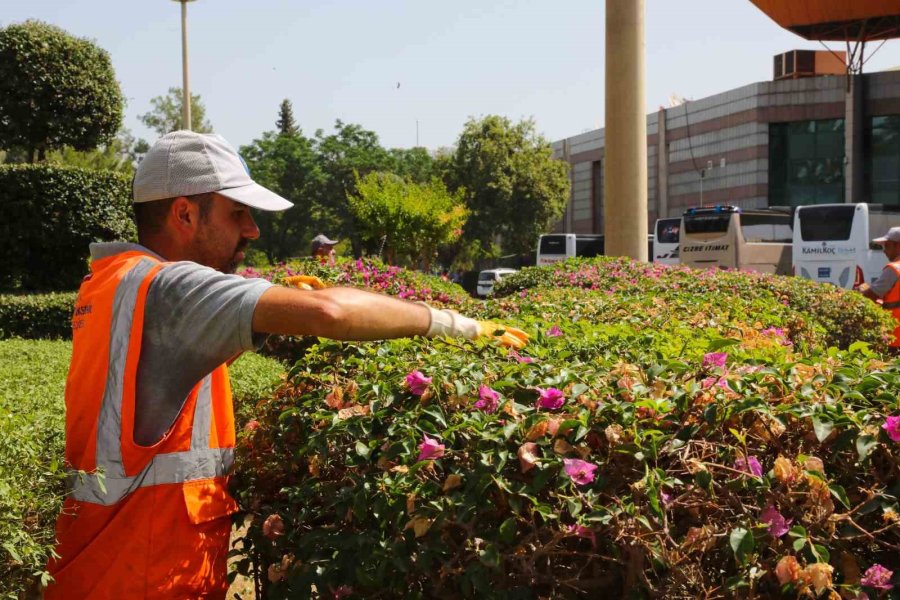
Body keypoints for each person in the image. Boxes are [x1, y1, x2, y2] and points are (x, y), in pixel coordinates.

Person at [44, 130, 528, 599]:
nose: (252, 230)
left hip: (107, 569)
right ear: (185, 213)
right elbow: (331, 312)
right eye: (238, 213)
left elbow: (162, 380)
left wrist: (276, 309)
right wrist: (456, 325)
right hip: (141, 579)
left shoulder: (115, 282)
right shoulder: (172, 288)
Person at [858, 226, 900, 352]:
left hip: (896, 338)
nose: (884, 251)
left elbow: (871, 295)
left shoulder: (894, 269)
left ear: (897, 245)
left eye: (887, 246)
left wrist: (862, 289)